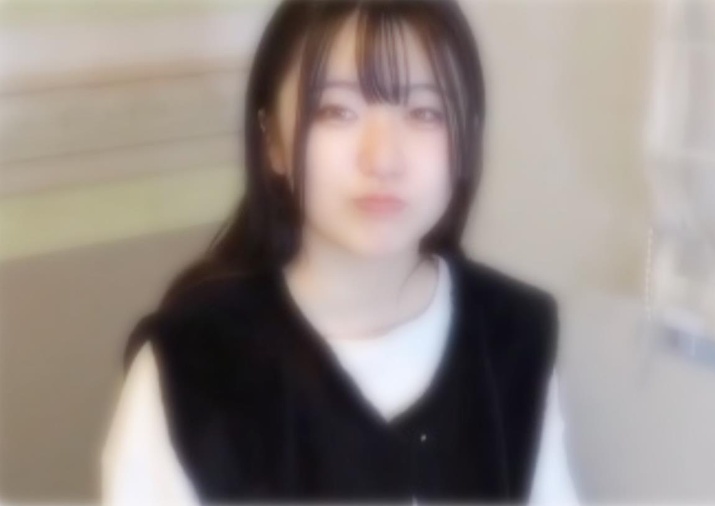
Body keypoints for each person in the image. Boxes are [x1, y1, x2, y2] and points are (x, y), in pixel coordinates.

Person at [101, 0, 579, 503]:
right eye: (337, 111)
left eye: (425, 113)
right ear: (273, 143)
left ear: (466, 139)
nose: (383, 157)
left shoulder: (513, 335)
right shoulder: (193, 364)